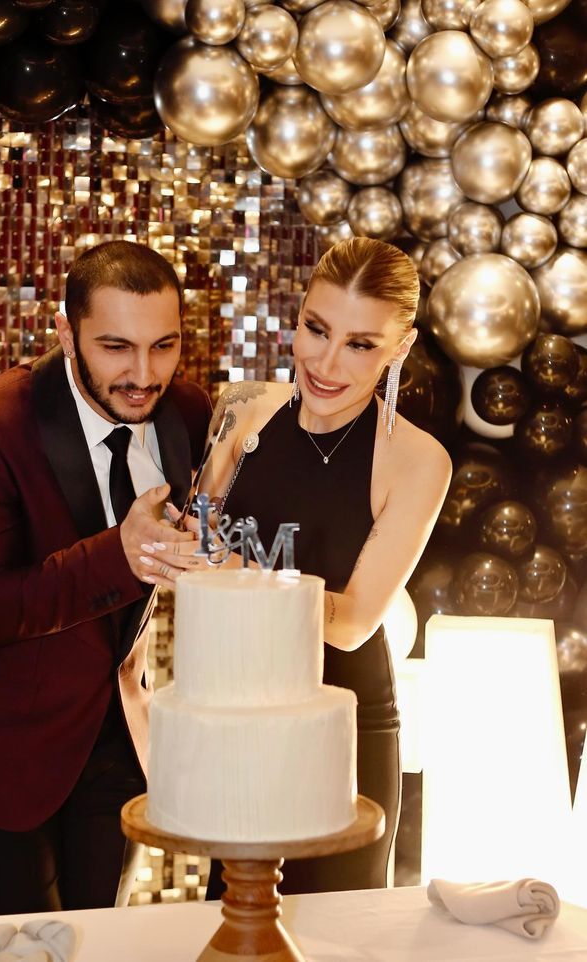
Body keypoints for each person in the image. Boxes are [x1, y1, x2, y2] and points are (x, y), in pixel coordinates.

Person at [146, 237, 452, 895]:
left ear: (400, 347)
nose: (326, 362)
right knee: (235, 925)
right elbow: (189, 547)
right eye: (317, 329)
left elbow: (352, 624)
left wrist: (221, 564)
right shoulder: (246, 412)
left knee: (335, 936)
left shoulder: (415, 461)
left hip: (340, 736)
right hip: (236, 717)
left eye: (360, 344)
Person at [0, 240, 212, 915]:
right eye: (115, 348)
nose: (144, 374)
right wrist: (119, 555)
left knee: (101, 940)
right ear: (65, 331)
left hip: (118, 740)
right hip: (4, 748)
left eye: (164, 346)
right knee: (22, 952)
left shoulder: (187, 413)